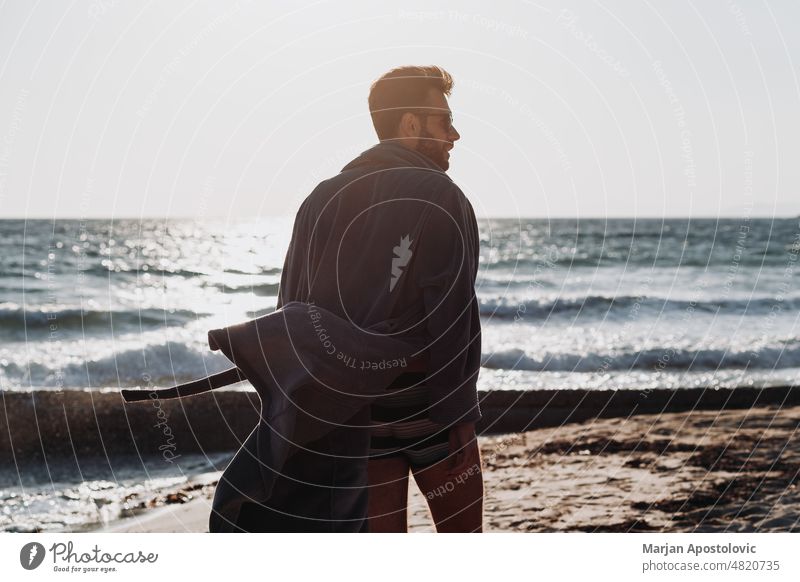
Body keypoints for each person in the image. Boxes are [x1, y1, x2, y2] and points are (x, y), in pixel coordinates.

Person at [264, 64, 483, 532]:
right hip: (429, 409)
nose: (455, 134)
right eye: (444, 121)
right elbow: (453, 314)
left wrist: (305, 412)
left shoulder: (320, 198)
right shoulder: (441, 195)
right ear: (410, 124)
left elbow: (292, 310)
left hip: (355, 415)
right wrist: (459, 413)